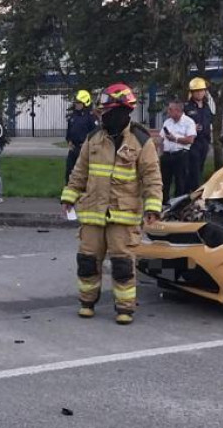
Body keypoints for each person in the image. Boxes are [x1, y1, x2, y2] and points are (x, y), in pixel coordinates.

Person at [60, 83, 162, 325]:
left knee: (122, 263)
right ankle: (86, 302)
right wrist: (69, 196)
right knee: (87, 260)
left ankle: (124, 308)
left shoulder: (141, 140)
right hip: (94, 212)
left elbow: (152, 177)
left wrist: (153, 207)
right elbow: (79, 172)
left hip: (123, 216)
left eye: (105, 110)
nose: (101, 114)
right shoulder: (93, 138)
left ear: (120, 111)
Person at [158, 99, 197, 202]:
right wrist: (161, 152)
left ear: (178, 110)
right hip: (167, 155)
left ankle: (178, 204)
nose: (168, 111)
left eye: (171, 109)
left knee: (180, 182)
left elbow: (190, 140)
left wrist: (175, 139)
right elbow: (161, 138)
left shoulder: (188, 122)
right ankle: (164, 203)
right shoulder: (167, 122)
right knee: (164, 181)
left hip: (181, 155)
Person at [183, 78, 213, 189]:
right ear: (192, 92)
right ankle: (193, 192)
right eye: (196, 90)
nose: (199, 93)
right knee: (193, 170)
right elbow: (180, 125)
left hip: (204, 142)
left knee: (199, 168)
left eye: (201, 90)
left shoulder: (206, 106)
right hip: (192, 143)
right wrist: (191, 128)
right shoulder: (187, 107)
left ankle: (191, 192)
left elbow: (209, 121)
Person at [65, 90, 98, 185]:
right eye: (76, 102)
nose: (77, 105)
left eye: (79, 103)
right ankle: (69, 190)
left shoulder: (91, 117)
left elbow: (96, 134)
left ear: (85, 103)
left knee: (84, 172)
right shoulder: (72, 116)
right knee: (70, 171)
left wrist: (88, 145)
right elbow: (69, 131)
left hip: (85, 149)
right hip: (73, 149)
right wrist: (69, 141)